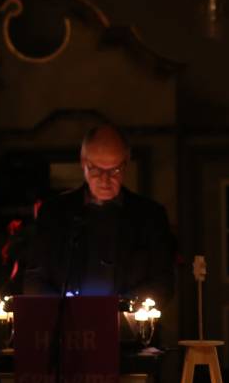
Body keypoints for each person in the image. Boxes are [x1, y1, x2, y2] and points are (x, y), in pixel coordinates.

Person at [15, 124, 178, 303]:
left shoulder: (150, 216)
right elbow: (34, 279)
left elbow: (163, 284)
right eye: (96, 170)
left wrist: (117, 310)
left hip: (128, 327)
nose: (105, 180)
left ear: (126, 163)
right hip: (67, 328)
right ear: (83, 163)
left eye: (114, 170)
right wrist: (71, 313)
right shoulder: (54, 213)